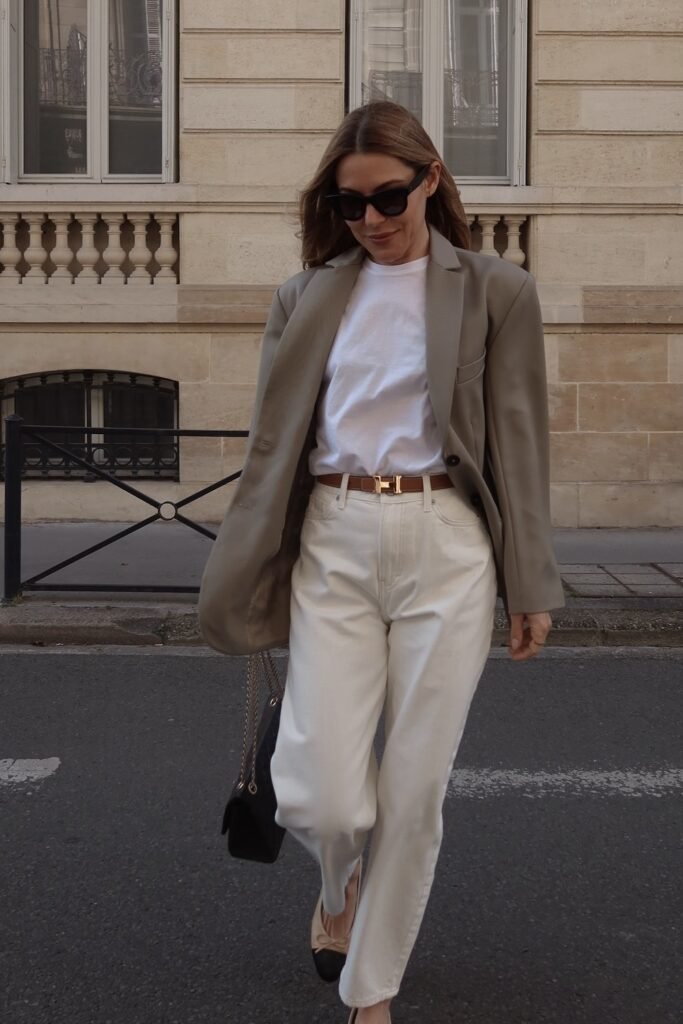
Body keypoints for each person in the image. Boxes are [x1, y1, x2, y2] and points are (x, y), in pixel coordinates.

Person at [198, 100, 565, 1024]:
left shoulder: (494, 289)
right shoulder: (307, 293)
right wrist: (249, 557)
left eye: (389, 196)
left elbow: (519, 445)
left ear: (430, 181)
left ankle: (373, 989)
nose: (370, 218)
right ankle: (334, 888)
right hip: (334, 536)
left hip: (447, 544)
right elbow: (273, 441)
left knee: (413, 790)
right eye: (349, 202)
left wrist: (531, 583)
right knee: (323, 797)